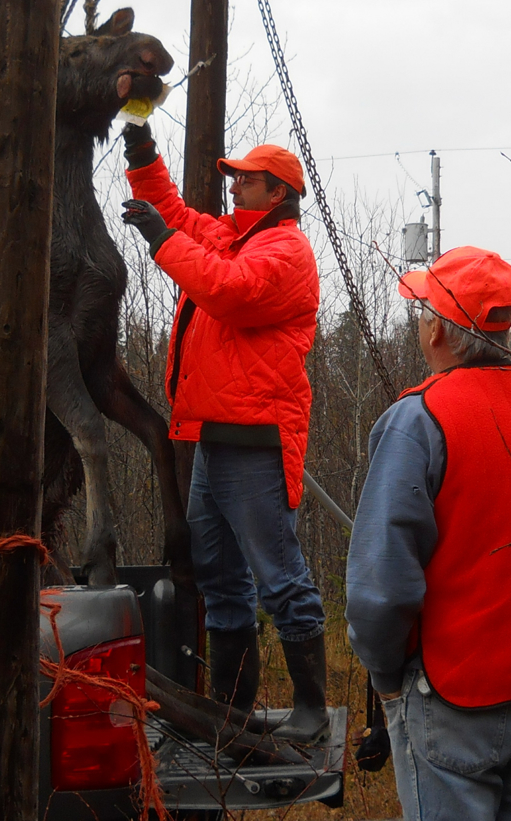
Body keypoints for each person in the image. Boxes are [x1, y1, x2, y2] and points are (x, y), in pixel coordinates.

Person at [345, 246, 511, 820]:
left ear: (436, 329)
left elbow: (380, 587)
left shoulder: (420, 419)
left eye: (420, 313)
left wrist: (388, 677)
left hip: (451, 699)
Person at [119, 121, 329, 742]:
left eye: (247, 179)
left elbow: (228, 293)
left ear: (280, 194)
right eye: (235, 177)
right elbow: (176, 213)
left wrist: (162, 243)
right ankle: (232, 713)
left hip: (255, 441)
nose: (235, 185)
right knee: (219, 576)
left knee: (279, 577)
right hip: (214, 437)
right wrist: (144, 157)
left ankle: (312, 710)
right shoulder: (238, 238)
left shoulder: (283, 253)